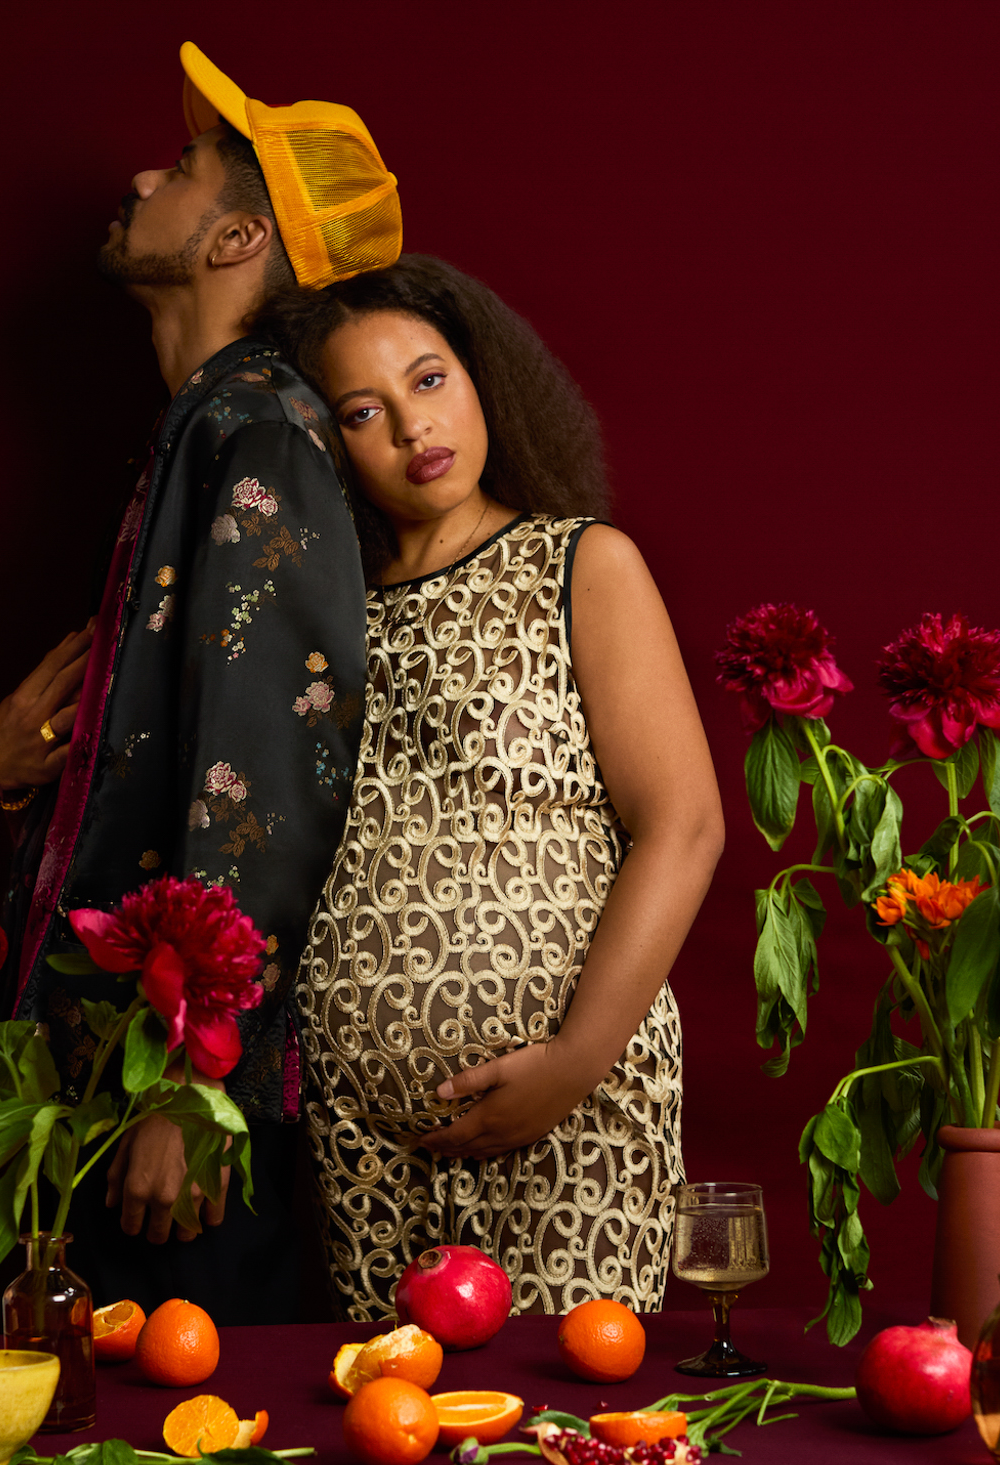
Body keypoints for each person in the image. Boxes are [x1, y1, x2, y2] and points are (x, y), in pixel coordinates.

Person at [0, 43, 401, 1324]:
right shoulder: (200, 428)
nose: (145, 178)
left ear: (237, 239)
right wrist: (0, 769)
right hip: (89, 1072)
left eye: (185, 166)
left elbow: (276, 773)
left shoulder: (259, 428)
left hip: (165, 1104)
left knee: (177, 1415)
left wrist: (193, 1087)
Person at [273, 256, 722, 1319]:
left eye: (429, 380)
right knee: (394, 1404)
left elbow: (685, 825)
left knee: (569, 1400)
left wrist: (575, 1061)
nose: (411, 427)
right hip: (362, 1128)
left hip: (572, 1104)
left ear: (483, 378)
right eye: (363, 411)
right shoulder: (322, 616)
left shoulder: (581, 563)